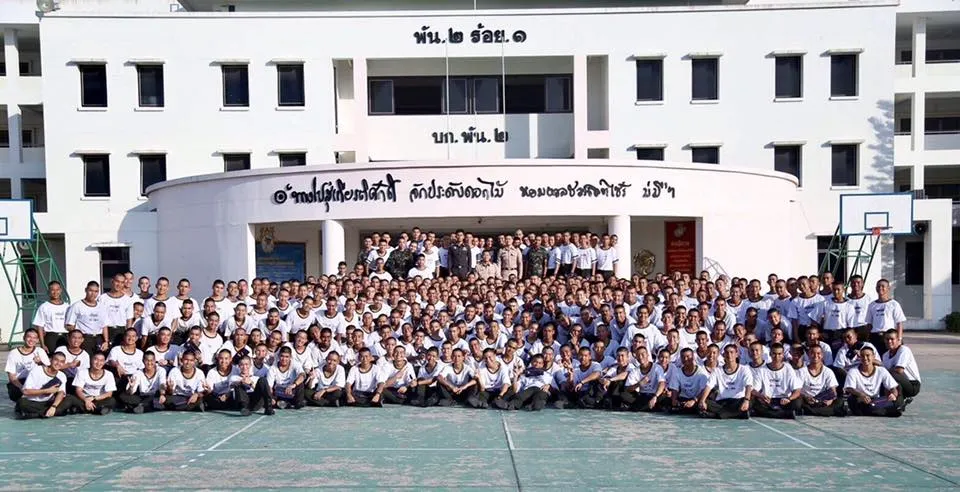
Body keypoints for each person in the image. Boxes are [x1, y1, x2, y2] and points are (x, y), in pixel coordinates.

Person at [843, 346, 903, 417]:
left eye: (868, 355)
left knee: (898, 390)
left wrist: (893, 394)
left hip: (876, 400)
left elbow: (893, 387)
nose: (865, 358)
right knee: (856, 402)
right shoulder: (853, 371)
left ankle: (891, 408)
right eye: (862, 356)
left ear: (873, 357)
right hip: (860, 400)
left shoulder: (881, 370)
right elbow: (849, 388)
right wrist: (861, 395)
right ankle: (887, 411)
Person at [14, 352, 76, 420]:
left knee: (69, 399)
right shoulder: (37, 370)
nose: (58, 363)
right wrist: (47, 391)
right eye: (56, 360)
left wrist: (53, 406)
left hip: (47, 403)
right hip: (32, 402)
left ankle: (36, 414)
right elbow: (25, 391)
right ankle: (49, 413)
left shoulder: (62, 375)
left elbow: (61, 393)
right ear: (50, 360)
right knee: (22, 403)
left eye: (62, 362)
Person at [698, 344, 753, 419]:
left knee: (749, 401)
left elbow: (748, 386)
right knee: (706, 402)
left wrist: (746, 400)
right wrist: (702, 400)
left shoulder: (744, 369)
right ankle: (737, 414)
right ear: (723, 355)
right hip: (722, 402)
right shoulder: (717, 370)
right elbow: (709, 386)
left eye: (732, 352)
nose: (729, 355)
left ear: (737, 354)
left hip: (737, 401)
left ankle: (717, 415)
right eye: (727, 352)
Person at [751, 343, 802, 419]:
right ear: (770, 354)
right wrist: (761, 396)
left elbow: (797, 390)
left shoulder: (788, 368)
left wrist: (789, 399)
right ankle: (784, 414)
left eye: (779, 354)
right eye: (774, 354)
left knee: (798, 402)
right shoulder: (762, 369)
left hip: (784, 400)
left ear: (783, 355)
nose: (777, 357)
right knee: (753, 401)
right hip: (768, 400)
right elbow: (753, 390)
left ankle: (769, 413)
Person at [799, 345, 845, 417]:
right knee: (798, 402)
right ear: (808, 355)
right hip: (807, 400)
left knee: (840, 401)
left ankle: (812, 411)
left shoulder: (828, 371)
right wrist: (806, 397)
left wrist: (830, 400)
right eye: (812, 353)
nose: (815, 356)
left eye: (818, 353)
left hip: (822, 400)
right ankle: (826, 412)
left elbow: (833, 391)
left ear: (822, 355)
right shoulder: (801, 371)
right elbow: (797, 390)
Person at [5, 329, 51, 402]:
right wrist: (22, 388)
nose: (31, 340)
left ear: (37, 340)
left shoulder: (40, 351)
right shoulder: (13, 353)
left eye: (34, 338)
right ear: (24, 338)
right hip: (19, 381)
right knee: (16, 393)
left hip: (36, 381)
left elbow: (49, 370)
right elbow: (12, 376)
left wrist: (40, 363)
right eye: (29, 337)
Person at [881, 329, 921, 401]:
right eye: (887, 339)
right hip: (897, 381)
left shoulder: (904, 350)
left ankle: (898, 403)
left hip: (912, 384)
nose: (889, 341)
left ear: (897, 340)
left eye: (892, 339)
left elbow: (899, 370)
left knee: (892, 375)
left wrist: (882, 367)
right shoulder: (885, 355)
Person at [668, 348, 710, 414]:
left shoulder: (701, 372)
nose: (685, 359)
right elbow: (675, 389)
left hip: (697, 399)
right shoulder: (677, 372)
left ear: (693, 357)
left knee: (704, 404)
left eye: (688, 356)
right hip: (683, 399)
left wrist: (693, 401)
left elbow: (704, 390)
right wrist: (674, 400)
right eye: (683, 357)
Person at [33, 280, 70, 352]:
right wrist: (42, 344)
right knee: (52, 357)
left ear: (61, 290)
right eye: (52, 290)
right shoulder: (44, 307)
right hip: (51, 337)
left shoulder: (67, 307)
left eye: (57, 290)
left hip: (65, 336)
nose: (55, 292)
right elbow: (39, 326)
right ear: (48, 291)